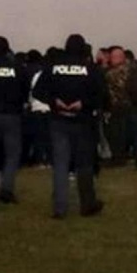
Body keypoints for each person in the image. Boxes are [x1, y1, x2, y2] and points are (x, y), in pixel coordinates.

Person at [33, 34, 107, 219]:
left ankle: (59, 208)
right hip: (82, 121)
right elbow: (102, 95)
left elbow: (37, 91)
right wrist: (83, 104)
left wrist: (54, 101)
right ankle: (87, 205)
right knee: (84, 165)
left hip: (58, 120)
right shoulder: (91, 68)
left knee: (60, 165)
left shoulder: (52, 67)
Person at [0, 36, 30, 203]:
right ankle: (7, 189)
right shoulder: (17, 67)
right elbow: (25, 89)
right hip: (11, 115)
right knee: (12, 155)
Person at [102, 47, 134, 166]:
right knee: (123, 133)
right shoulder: (131, 70)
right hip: (127, 105)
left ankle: (117, 158)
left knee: (114, 133)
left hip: (115, 106)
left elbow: (105, 85)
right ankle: (121, 156)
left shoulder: (112, 73)